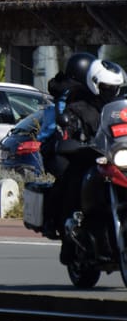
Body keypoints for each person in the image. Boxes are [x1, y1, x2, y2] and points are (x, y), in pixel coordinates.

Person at [51, 58, 125, 263]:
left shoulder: (120, 108)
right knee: (75, 183)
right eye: (108, 88)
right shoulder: (78, 107)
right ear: (95, 85)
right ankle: (69, 241)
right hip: (90, 158)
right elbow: (68, 128)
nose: (112, 92)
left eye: (116, 88)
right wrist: (71, 134)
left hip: (115, 158)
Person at [39, 52, 96, 236]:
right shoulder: (68, 93)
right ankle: (53, 220)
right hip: (59, 145)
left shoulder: (95, 94)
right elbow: (65, 121)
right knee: (68, 177)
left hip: (87, 146)